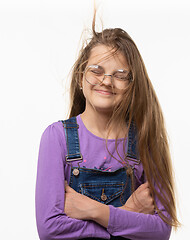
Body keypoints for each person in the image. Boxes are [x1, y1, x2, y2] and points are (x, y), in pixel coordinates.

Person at [35, 12, 179, 240]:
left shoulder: (144, 140)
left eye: (120, 75)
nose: (107, 81)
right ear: (81, 76)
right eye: (97, 70)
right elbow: (50, 229)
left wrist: (94, 210)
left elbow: (161, 230)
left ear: (132, 85)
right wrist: (127, 213)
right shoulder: (57, 137)